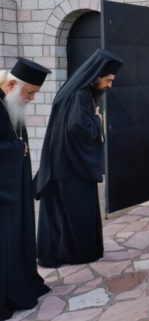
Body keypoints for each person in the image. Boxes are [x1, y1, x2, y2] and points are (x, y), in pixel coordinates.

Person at [36, 49, 124, 267]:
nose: (109, 86)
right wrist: (97, 121)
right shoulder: (80, 95)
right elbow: (76, 127)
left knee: (66, 214)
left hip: (65, 165)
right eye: (108, 80)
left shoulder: (78, 91)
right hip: (71, 168)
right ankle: (75, 254)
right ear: (97, 75)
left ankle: (68, 252)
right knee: (75, 213)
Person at [0, 59, 51, 320]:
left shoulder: (11, 104)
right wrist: (15, 150)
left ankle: (19, 284)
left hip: (13, 189)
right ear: (11, 85)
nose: (31, 98)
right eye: (29, 92)